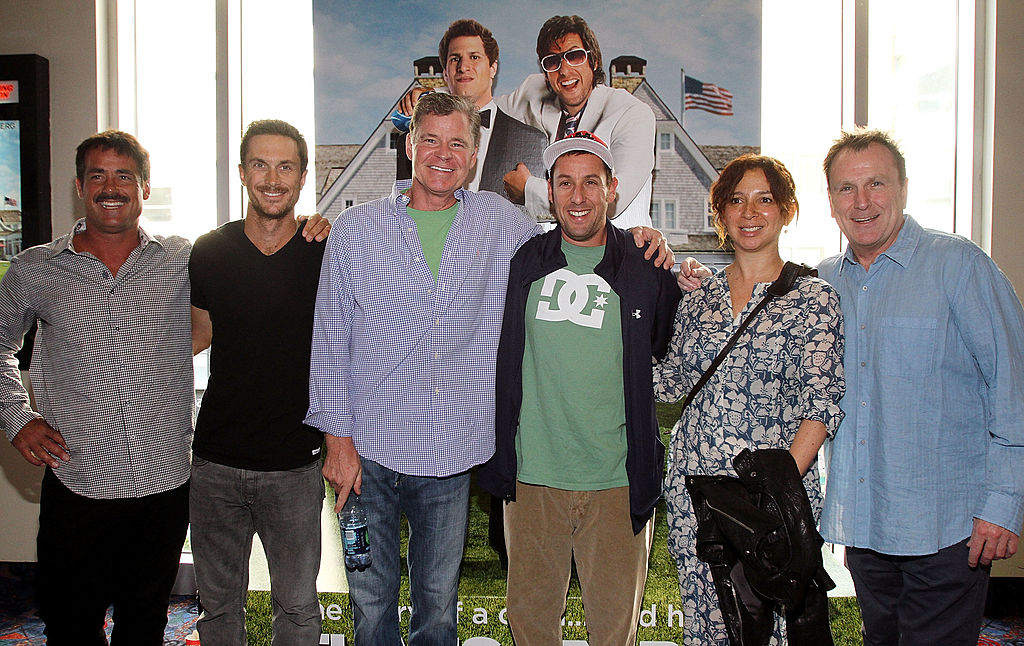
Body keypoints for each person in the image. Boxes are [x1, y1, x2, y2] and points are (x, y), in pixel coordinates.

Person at [306, 92, 671, 645]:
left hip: (449, 457)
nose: (443, 154)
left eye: (458, 142)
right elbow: (330, 337)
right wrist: (337, 441)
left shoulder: (502, 225)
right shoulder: (356, 229)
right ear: (410, 145)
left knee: (437, 608)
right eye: (430, 139)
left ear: (475, 156)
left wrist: (646, 237)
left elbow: (576, 240)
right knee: (371, 605)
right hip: (367, 456)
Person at [817, 129, 1024, 646]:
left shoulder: (959, 265)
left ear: (903, 189)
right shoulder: (822, 284)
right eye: (847, 188)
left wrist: (1002, 506)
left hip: (950, 531)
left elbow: (1012, 388)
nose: (862, 202)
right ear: (831, 200)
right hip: (866, 535)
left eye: (876, 184)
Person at [477, 131, 679, 645]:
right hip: (533, 480)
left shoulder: (644, 267)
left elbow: (669, 346)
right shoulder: (524, 261)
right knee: (532, 630)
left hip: (614, 482)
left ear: (612, 188)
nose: (579, 196)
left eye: (592, 182)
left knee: (614, 634)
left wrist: (682, 268)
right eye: (565, 182)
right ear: (550, 190)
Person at [0, 130, 192, 646]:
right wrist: (18, 420)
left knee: (145, 625)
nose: (111, 187)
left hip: (163, 484)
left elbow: (251, 271)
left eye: (124, 175)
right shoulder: (36, 269)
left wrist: (310, 228)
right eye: (98, 176)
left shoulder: (181, 261)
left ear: (144, 188)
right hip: (78, 481)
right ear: (79, 187)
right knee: (72, 626)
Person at [654, 154, 845, 645]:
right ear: (720, 213)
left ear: (786, 210)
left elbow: (822, 403)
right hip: (695, 493)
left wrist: (771, 492)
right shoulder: (700, 296)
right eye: (736, 200)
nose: (750, 211)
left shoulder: (813, 298)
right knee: (708, 622)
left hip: (771, 502)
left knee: (774, 627)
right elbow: (672, 382)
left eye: (765, 199)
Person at [188, 120, 327, 645]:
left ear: (302, 175)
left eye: (286, 166)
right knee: (219, 610)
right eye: (261, 165)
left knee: (297, 608)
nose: (273, 178)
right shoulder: (209, 250)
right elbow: (198, 335)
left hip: (294, 466)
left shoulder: (324, 251)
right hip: (216, 464)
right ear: (243, 172)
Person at [496, 15, 655, 228]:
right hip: (558, 255)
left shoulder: (632, 113)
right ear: (546, 75)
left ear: (594, 60)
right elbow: (482, 105)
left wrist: (529, 190)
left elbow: (613, 201)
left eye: (574, 56)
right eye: (553, 61)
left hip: (619, 254)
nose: (564, 70)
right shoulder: (540, 103)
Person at [396, 19, 547, 207]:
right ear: (445, 74)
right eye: (455, 59)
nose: (463, 66)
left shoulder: (532, 140)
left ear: (493, 68)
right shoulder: (413, 144)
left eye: (474, 57)